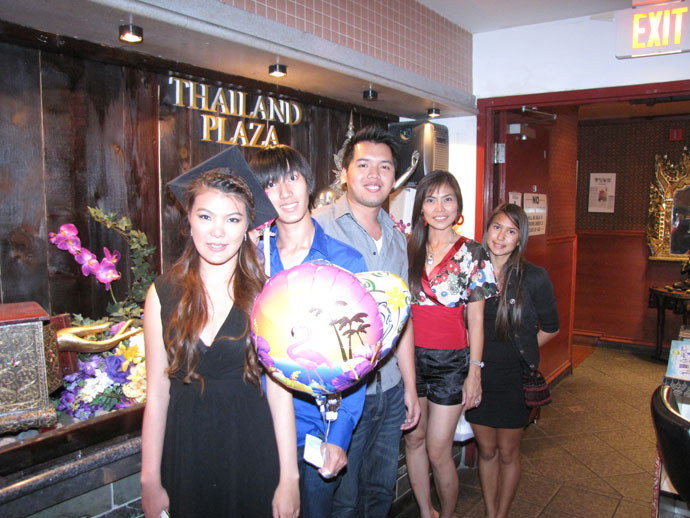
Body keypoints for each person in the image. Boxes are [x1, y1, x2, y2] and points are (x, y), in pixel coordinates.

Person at [140, 160, 300, 518]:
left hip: (251, 448)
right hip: (185, 450)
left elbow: (280, 393)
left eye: (232, 219)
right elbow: (157, 394)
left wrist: (289, 478)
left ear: (247, 228)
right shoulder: (161, 294)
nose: (217, 232)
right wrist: (149, 478)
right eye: (205, 216)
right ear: (189, 221)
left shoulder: (267, 296)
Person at [250, 144, 367, 518]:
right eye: (271, 184)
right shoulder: (250, 260)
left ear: (308, 182)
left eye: (292, 178)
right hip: (260, 430)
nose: (285, 192)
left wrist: (340, 436)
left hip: (319, 427)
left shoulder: (344, 261)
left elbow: (357, 357)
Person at [314, 125, 421, 517]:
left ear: (394, 178)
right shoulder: (317, 228)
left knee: (379, 493)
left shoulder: (396, 236)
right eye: (363, 165)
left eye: (384, 167)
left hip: (389, 389)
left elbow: (401, 317)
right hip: (341, 395)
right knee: (341, 500)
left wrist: (410, 386)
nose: (374, 174)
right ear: (344, 173)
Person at [404, 170, 498, 518]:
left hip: (451, 362)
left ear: (458, 206)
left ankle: (448, 514)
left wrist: (475, 372)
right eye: (431, 200)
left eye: (447, 199)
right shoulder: (407, 247)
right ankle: (426, 511)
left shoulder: (473, 253)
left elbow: (477, 321)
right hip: (408, 359)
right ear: (421, 207)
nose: (439, 208)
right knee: (413, 439)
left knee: (438, 449)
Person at [465, 203, 559, 518]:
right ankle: (490, 511)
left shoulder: (534, 277)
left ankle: (500, 514)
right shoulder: (471, 271)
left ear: (520, 238)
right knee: (486, 450)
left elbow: (552, 327)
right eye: (496, 227)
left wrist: (524, 349)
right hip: (478, 375)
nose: (501, 237)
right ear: (487, 229)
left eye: (510, 231)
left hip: (514, 379)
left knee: (507, 452)